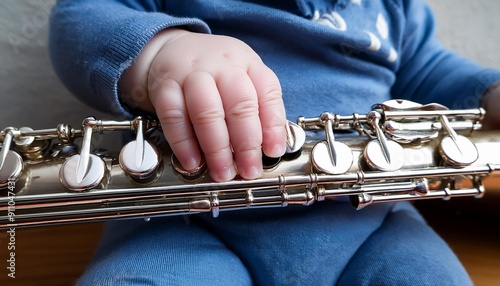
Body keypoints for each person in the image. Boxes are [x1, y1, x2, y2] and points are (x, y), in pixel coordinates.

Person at [49, 0, 500, 285]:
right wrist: (160, 52)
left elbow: (430, 71)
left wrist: (489, 94)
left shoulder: (394, 8)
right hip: (186, 221)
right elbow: (81, 14)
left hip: (370, 223)